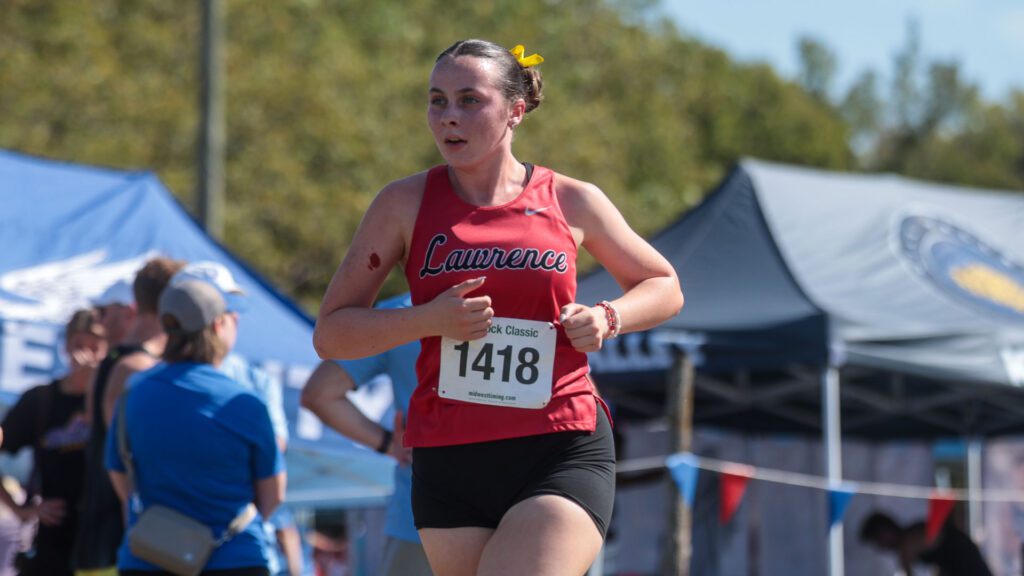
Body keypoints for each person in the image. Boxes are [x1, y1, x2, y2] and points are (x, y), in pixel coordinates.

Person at [312, 39, 683, 576]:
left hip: (559, 442)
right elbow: (331, 334)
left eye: (469, 100)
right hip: (449, 456)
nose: (448, 118)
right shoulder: (403, 203)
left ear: (515, 110)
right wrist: (429, 319)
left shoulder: (571, 199)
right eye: (436, 101)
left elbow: (665, 284)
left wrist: (607, 317)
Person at [105, 280, 286, 575]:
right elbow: (274, 493)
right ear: (217, 326)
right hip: (236, 559)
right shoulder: (245, 402)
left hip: (150, 556)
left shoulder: (133, 396)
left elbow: (120, 475)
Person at [170, 261, 303, 576]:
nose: (234, 317)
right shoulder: (150, 381)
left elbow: (274, 458)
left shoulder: (255, 380)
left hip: (217, 548)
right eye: (226, 307)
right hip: (181, 549)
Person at [302, 293, 430, 576]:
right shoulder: (535, 300)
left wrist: (387, 443)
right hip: (519, 512)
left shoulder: (402, 312)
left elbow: (319, 393)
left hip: (421, 514)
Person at [73, 257, 184, 576]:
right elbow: (127, 464)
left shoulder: (114, 363)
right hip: (124, 546)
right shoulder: (136, 368)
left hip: (110, 543)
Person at [0, 309, 107, 576]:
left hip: (103, 542)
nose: (85, 356)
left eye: (95, 347)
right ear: (66, 346)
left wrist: (98, 386)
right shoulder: (41, 400)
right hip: (51, 545)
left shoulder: (113, 401)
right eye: (78, 345)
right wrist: (23, 510)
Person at [859, 510, 994, 576]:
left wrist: (905, 561)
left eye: (878, 539)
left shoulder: (910, 540)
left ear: (886, 529)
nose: (881, 546)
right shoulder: (911, 537)